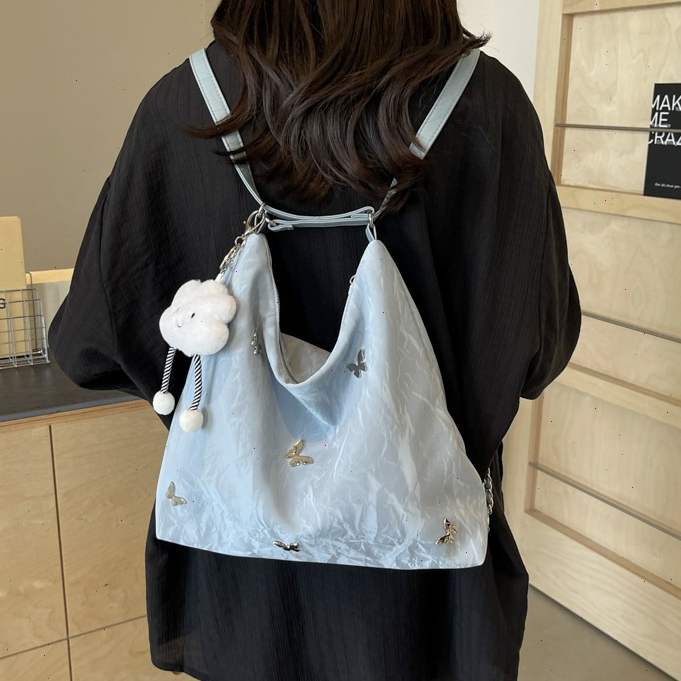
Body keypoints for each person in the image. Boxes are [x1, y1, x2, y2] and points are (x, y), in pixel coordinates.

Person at [48, 1, 581, 680]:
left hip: (245, 578)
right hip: (427, 574)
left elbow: (87, 346)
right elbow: (540, 350)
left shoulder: (184, 106)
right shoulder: (490, 107)